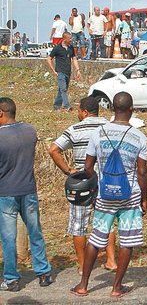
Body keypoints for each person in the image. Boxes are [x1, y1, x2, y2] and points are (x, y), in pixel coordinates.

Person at [71, 92, 147, 298]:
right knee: (127, 241)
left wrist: (96, 186)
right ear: (131, 109)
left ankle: (83, 285)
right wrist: (144, 198)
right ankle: (116, 287)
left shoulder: (98, 133)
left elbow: (88, 167)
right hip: (130, 195)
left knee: (96, 239)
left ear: (112, 109)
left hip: (105, 195)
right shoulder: (139, 137)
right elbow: (141, 172)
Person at [48, 96, 117, 274]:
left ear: (85, 112)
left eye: (79, 110)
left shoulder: (74, 129)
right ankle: (111, 260)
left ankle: (82, 265)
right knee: (106, 221)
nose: (78, 114)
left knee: (79, 224)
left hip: (83, 182)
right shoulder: (110, 128)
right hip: (106, 180)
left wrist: (68, 171)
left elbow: (53, 149)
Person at [0, 97, 53, 292]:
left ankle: (12, 278)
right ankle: (44, 273)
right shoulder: (30, 130)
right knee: (35, 232)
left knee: (8, 237)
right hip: (28, 190)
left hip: (5, 193)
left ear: (1, 113)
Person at [47, 32, 81, 110]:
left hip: (68, 72)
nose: (71, 40)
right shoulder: (57, 48)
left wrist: (77, 70)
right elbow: (49, 59)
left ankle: (56, 106)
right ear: (64, 39)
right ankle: (67, 106)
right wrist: (53, 71)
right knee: (63, 89)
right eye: (69, 38)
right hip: (60, 72)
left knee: (61, 90)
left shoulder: (70, 48)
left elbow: (74, 59)